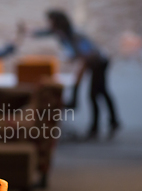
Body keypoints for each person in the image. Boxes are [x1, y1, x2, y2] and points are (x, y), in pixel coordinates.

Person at [32, 9, 120, 139]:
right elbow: (45, 33)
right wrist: (28, 32)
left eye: (51, 21)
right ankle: (112, 122)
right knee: (101, 92)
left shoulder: (74, 34)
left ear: (57, 22)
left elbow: (88, 53)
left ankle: (97, 128)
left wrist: (76, 62)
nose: (49, 24)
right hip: (91, 62)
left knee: (95, 94)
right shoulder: (62, 33)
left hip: (98, 63)